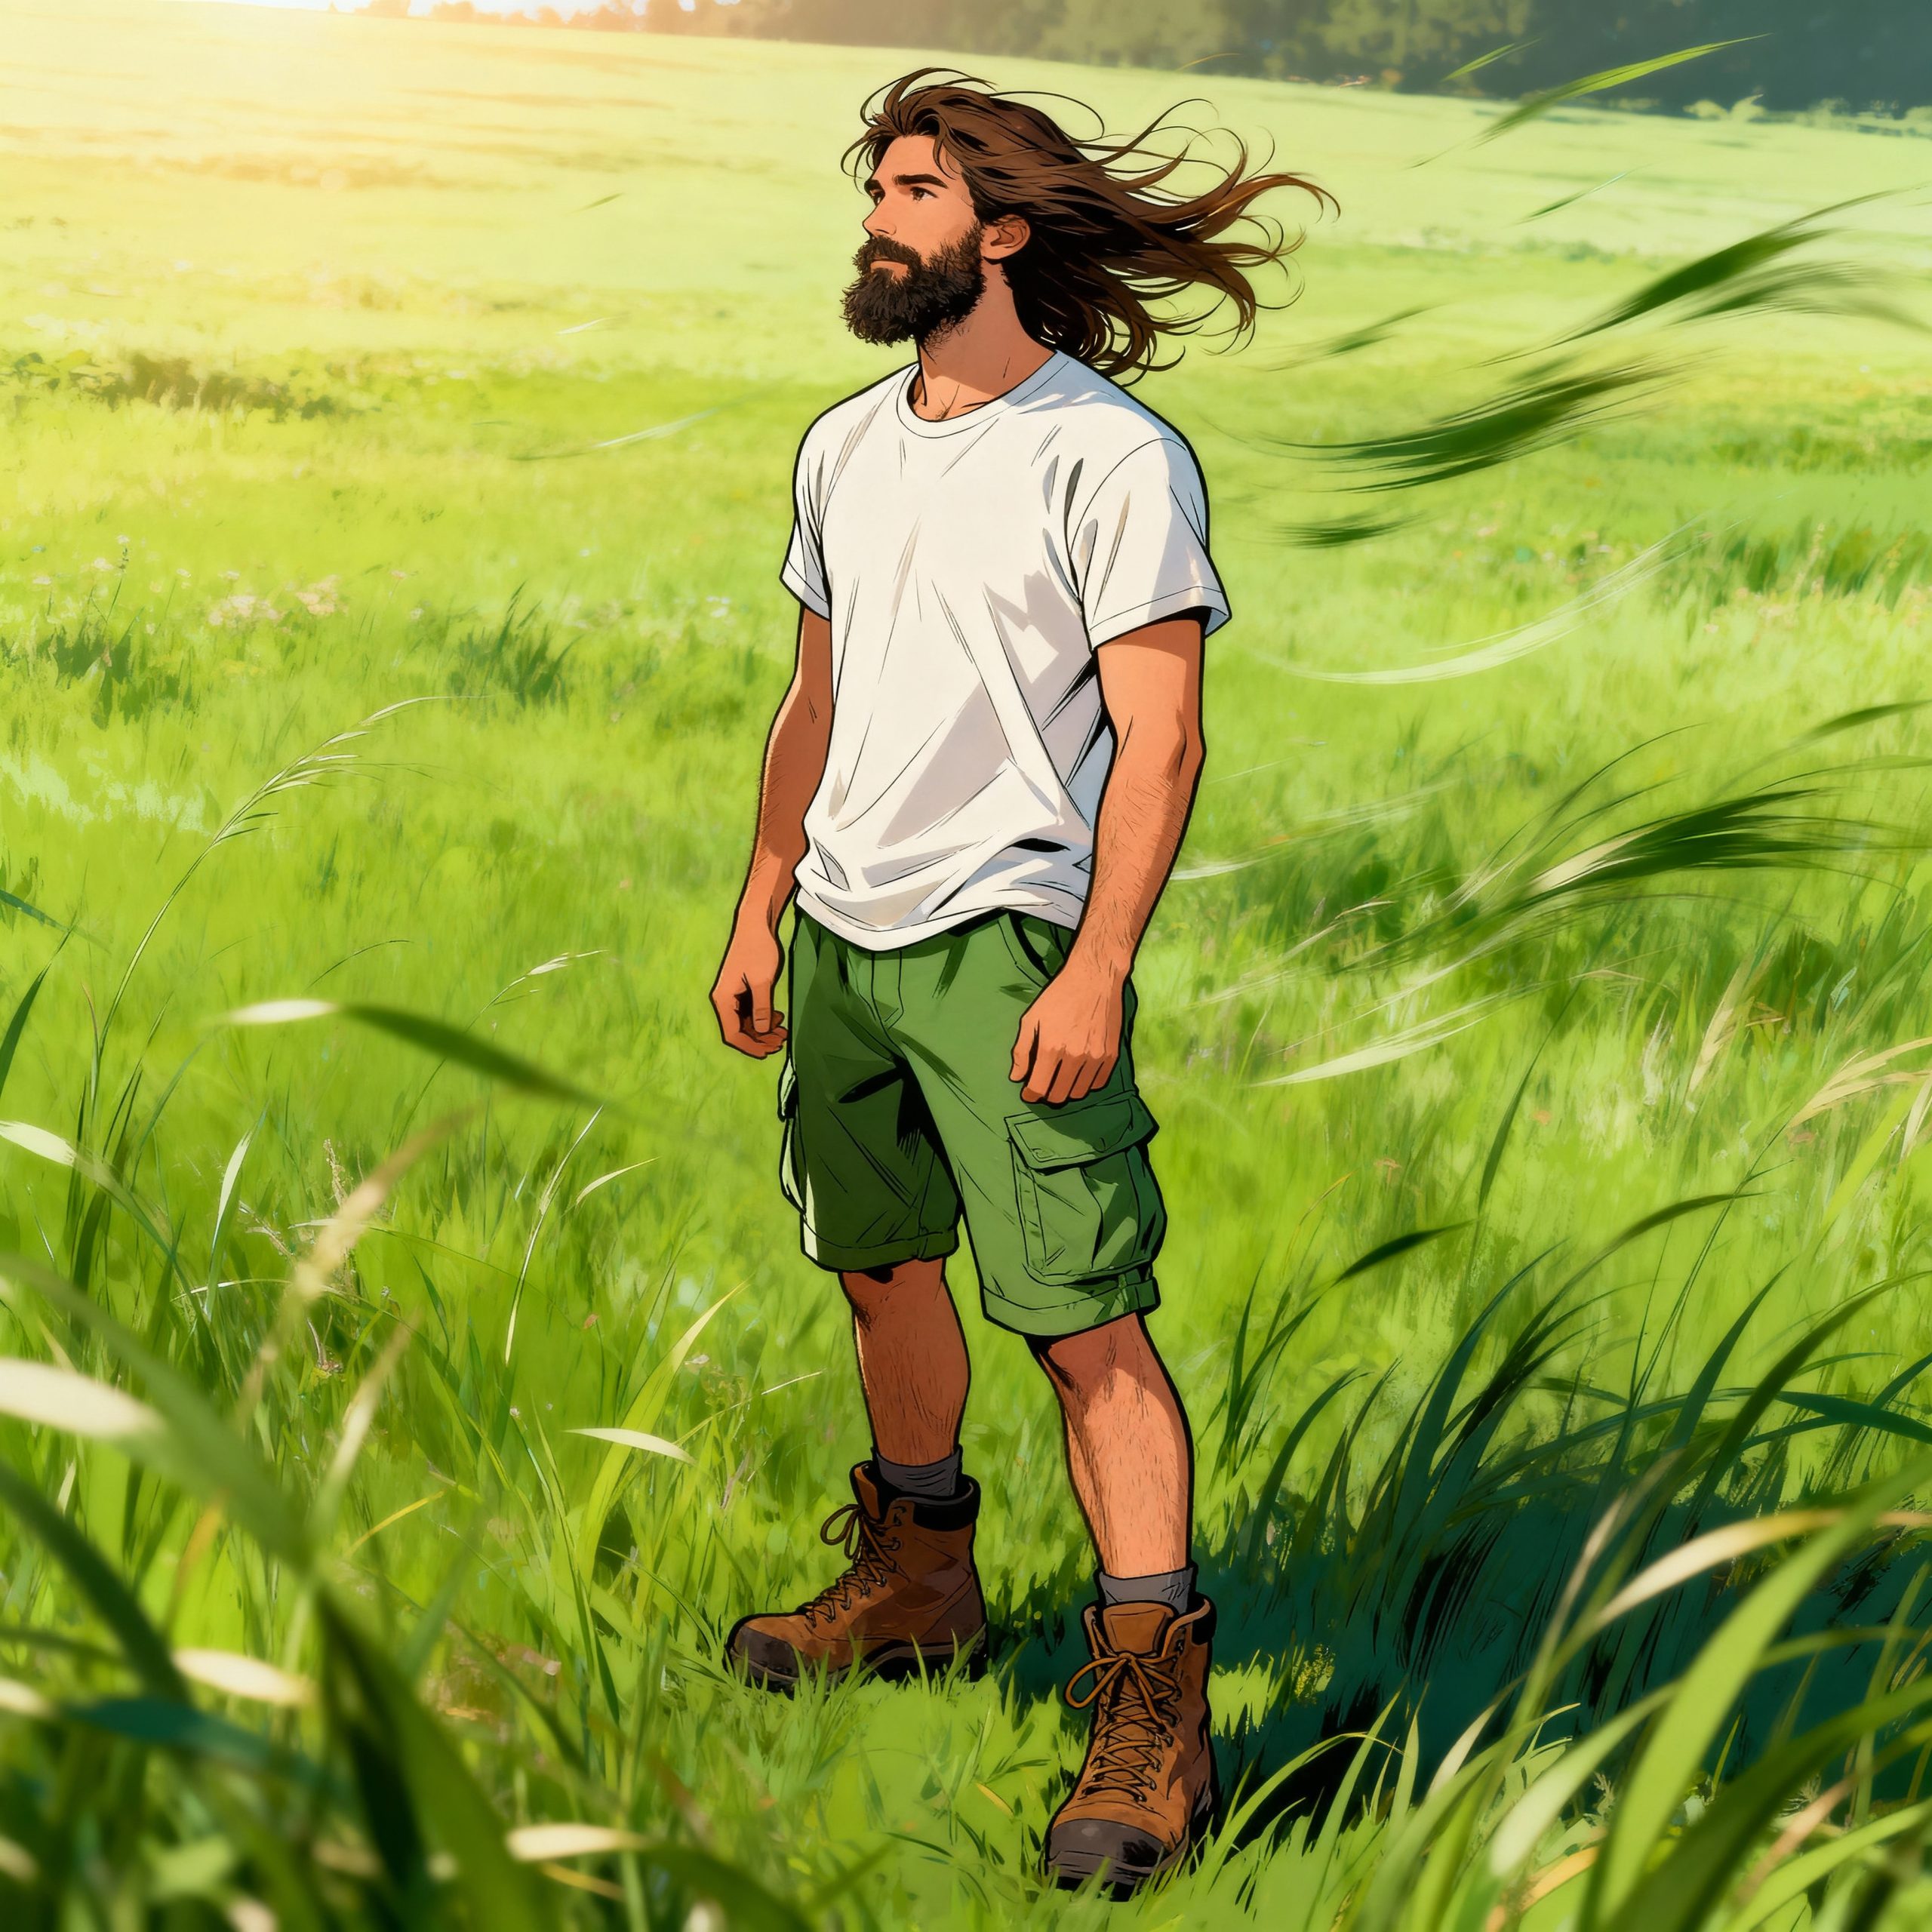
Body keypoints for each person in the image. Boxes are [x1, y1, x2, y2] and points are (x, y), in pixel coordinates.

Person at [708, 69, 1327, 1894]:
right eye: (875, 187)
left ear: (997, 231)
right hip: (841, 931)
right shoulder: (842, 441)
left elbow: (1161, 737)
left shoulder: (1108, 456)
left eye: (910, 189)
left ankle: (1152, 1706)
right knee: (879, 1264)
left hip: (1005, 943)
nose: (875, 217)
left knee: (1077, 1322)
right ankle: (915, 1578)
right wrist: (760, 905)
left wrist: (1100, 969)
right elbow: (811, 700)